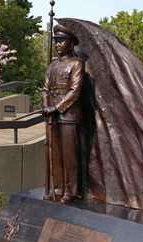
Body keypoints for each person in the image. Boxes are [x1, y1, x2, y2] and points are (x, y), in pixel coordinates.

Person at [42, 24, 85, 203]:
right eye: (56, 41)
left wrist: (56, 107)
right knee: (54, 154)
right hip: (51, 117)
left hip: (68, 117)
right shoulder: (52, 65)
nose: (58, 44)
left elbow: (74, 91)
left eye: (61, 41)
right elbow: (45, 88)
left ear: (71, 43)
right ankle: (57, 190)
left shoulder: (77, 64)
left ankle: (71, 191)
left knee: (69, 157)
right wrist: (46, 106)